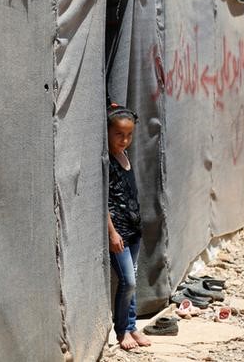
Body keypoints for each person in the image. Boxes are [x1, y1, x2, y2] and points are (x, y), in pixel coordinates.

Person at [106, 103, 151, 351]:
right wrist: (112, 233)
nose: (124, 140)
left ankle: (132, 326)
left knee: (131, 281)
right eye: (118, 134)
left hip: (134, 230)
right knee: (128, 281)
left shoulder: (124, 156)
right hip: (119, 233)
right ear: (108, 132)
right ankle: (122, 329)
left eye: (129, 135)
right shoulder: (108, 162)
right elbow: (103, 200)